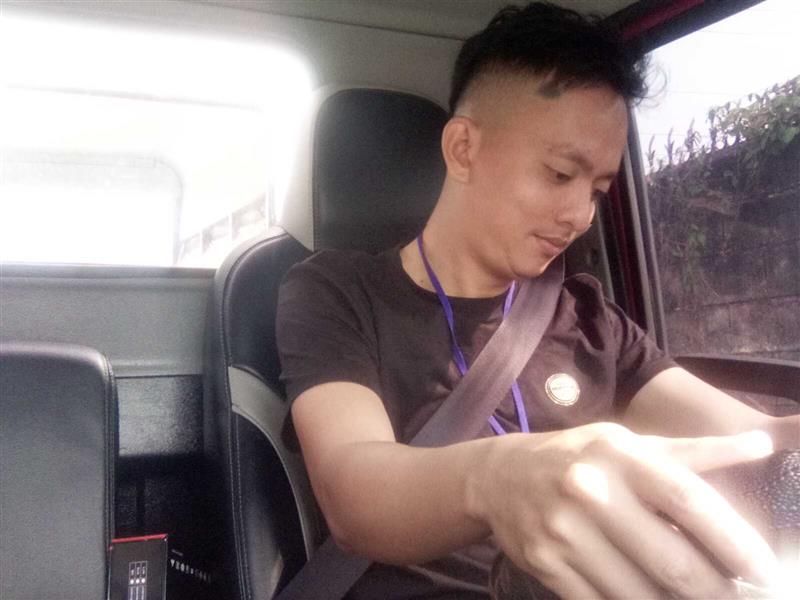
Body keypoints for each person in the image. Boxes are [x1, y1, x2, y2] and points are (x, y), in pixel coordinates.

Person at [276, 3, 799, 598]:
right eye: (559, 174)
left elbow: (752, 435)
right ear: (463, 149)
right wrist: (500, 478)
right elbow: (353, 489)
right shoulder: (335, 291)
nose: (580, 216)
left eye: (597, 190)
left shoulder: (588, 315)